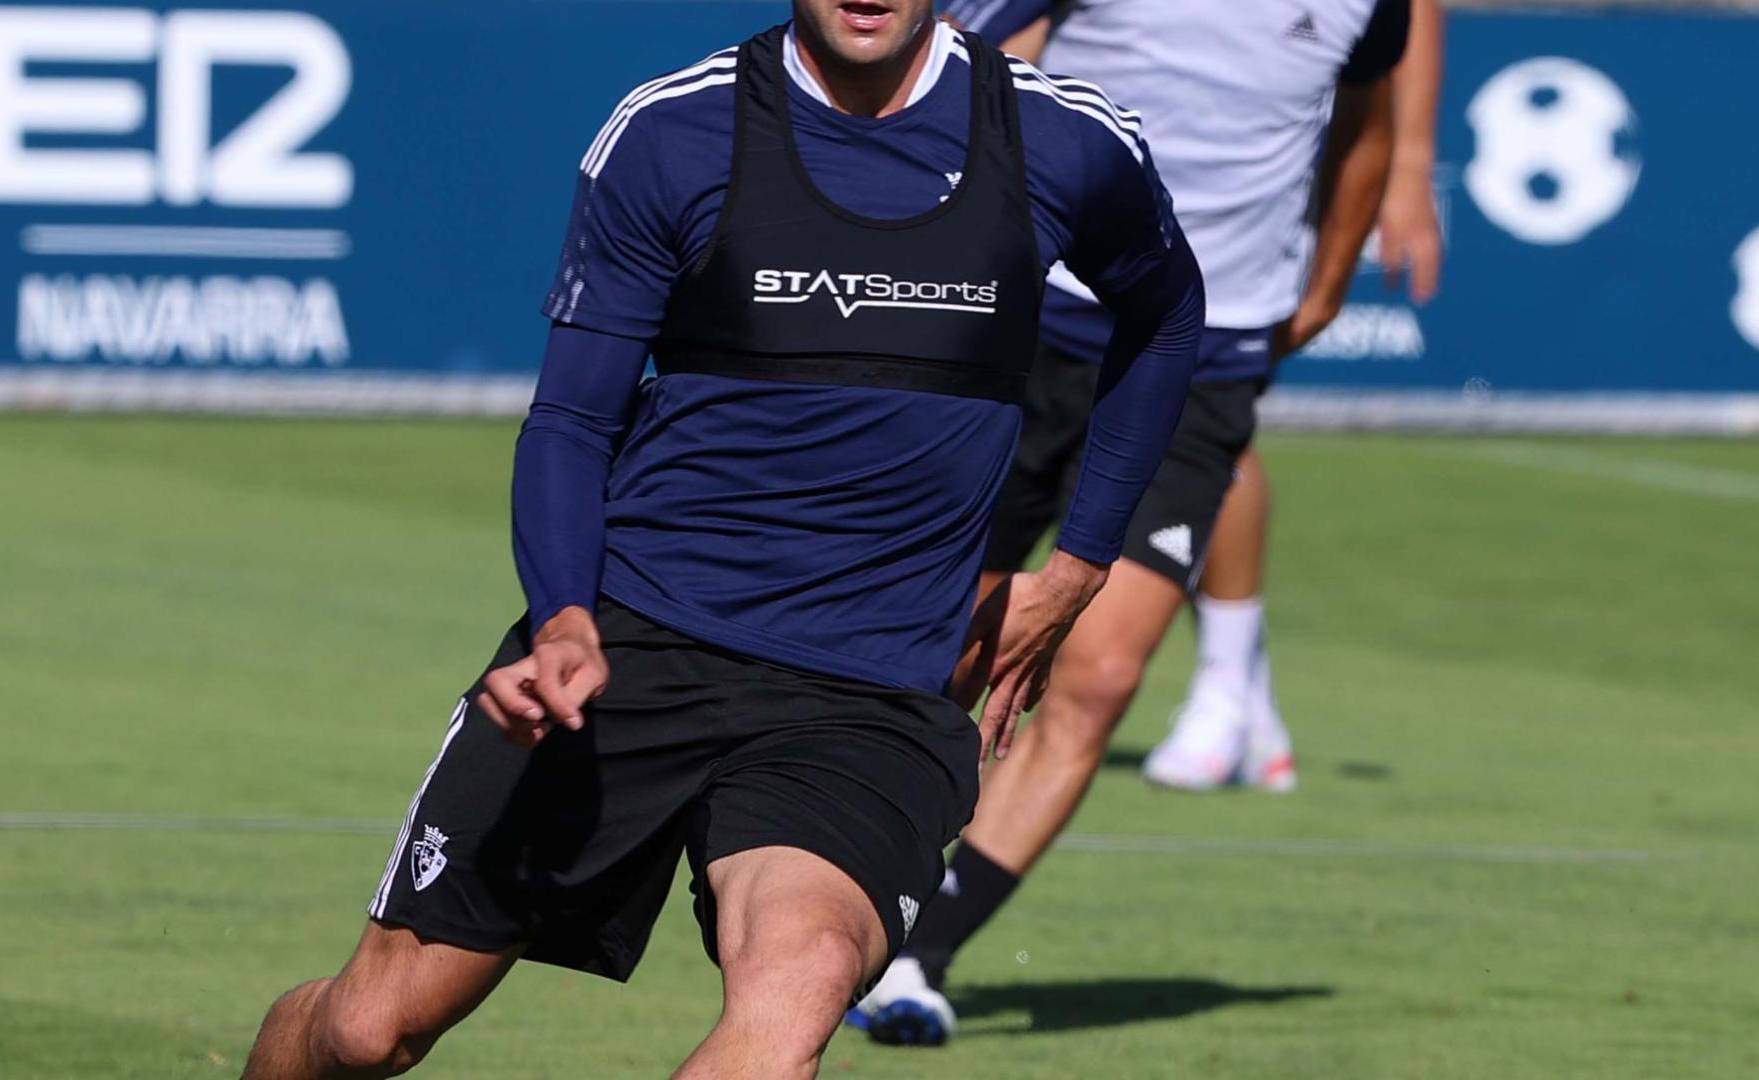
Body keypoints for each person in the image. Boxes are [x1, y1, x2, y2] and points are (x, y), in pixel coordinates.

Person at [238, 1, 1202, 1076]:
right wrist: (562, 622)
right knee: (372, 1030)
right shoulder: (674, 131)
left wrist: (1078, 567)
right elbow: (570, 421)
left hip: (868, 693)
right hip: (630, 645)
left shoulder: (1062, 137)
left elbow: (1166, 316)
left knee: (794, 998)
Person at [850, 0, 1409, 1046]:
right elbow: (955, 52)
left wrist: (1325, 289)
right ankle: (837, 893)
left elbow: (1368, 120)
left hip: (1206, 356)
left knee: (1100, 676)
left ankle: (921, 958)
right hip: (1029, 327)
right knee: (931, 639)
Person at [1164, 0, 1446, 792]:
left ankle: (1225, 693)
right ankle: (1245, 703)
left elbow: (1406, 10)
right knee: (1147, 425)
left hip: (1256, 163)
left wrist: (1411, 164)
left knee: (1201, 415)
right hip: (1135, 129)